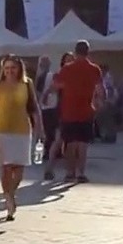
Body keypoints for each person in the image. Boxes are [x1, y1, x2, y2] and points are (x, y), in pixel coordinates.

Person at [0, 55, 43, 221]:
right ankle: (9, 200)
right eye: (6, 68)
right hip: (2, 130)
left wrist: (40, 128)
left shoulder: (27, 84)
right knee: (5, 167)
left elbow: (34, 108)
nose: (10, 71)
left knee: (18, 170)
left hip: (22, 130)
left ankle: (10, 193)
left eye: (13, 68)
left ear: (19, 68)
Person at [53, 40, 103, 183]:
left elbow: (57, 85)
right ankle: (81, 173)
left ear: (75, 52)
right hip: (86, 110)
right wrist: (99, 103)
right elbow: (100, 90)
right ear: (88, 52)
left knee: (70, 143)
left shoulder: (67, 68)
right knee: (83, 144)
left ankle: (70, 172)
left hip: (68, 110)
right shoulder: (94, 69)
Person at [43, 52, 74, 180]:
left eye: (71, 60)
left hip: (72, 109)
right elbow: (52, 88)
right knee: (60, 140)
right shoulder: (60, 74)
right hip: (62, 110)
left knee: (69, 142)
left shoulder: (73, 74)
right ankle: (51, 168)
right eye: (67, 60)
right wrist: (45, 96)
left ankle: (69, 171)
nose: (69, 62)